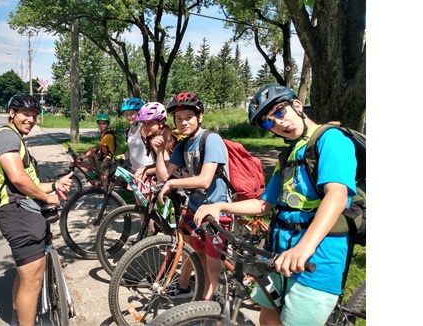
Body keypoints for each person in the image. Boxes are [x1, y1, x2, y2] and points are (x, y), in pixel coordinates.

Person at [193, 85, 357, 326]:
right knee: (268, 318)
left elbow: (337, 195)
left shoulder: (331, 139)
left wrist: (303, 248)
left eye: (279, 112)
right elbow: (263, 204)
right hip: (279, 252)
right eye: (269, 124)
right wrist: (220, 207)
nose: (278, 124)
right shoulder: (290, 155)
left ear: (297, 106)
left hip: (317, 258)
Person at [0, 93, 74, 326]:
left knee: (25, 273)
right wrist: (46, 196)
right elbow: (18, 179)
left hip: (22, 210)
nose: (31, 119)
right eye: (26, 114)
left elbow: (28, 183)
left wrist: (54, 185)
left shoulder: (15, 138)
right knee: (33, 280)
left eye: (35, 116)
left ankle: (19, 317)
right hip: (19, 214)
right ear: (12, 113)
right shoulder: (7, 137)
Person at [152, 92, 232, 301]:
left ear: (200, 117)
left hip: (217, 210)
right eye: (179, 119)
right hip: (196, 210)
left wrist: (172, 183)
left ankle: (214, 308)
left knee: (214, 267)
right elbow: (163, 175)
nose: (183, 122)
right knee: (201, 259)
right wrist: (160, 152)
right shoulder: (184, 144)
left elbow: (205, 180)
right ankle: (205, 300)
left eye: (188, 117)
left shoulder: (211, 139)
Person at [120, 98, 155, 203]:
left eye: (132, 113)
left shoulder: (144, 128)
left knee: (149, 211)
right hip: (135, 172)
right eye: (126, 114)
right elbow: (131, 151)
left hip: (146, 173)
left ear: (139, 113)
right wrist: (121, 157)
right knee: (140, 208)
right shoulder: (130, 131)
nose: (129, 116)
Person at [77, 113, 116, 186]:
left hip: (108, 158)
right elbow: (102, 145)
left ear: (108, 124)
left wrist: (83, 156)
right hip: (103, 154)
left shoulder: (108, 135)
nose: (101, 125)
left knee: (103, 176)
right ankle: (93, 171)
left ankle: (106, 192)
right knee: (89, 153)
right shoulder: (103, 133)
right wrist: (99, 151)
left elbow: (96, 147)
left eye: (104, 123)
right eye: (100, 123)